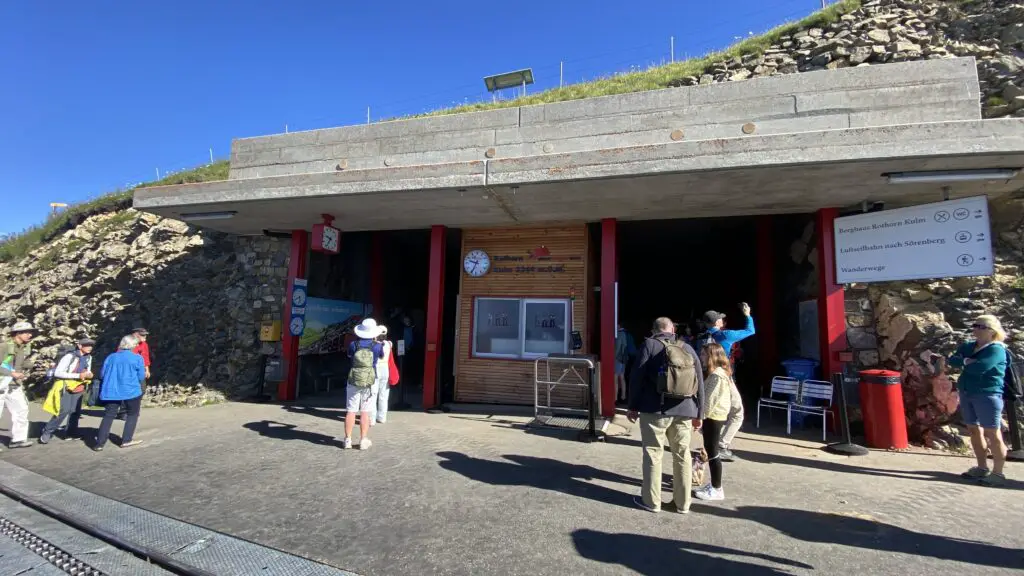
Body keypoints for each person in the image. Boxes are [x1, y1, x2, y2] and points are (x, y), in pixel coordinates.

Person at [627, 317, 705, 514]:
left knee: (653, 453)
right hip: (685, 409)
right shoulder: (687, 348)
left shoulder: (649, 345)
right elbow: (700, 382)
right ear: (672, 329)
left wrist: (632, 406)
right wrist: (699, 413)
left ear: (654, 330)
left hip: (655, 410)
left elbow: (637, 377)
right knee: (682, 455)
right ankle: (683, 504)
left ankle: (652, 502)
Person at [930, 315, 1011, 486]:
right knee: (974, 430)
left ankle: (998, 473)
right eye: (975, 325)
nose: (975, 329)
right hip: (967, 392)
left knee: (993, 433)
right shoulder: (969, 346)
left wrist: (965, 362)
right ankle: (982, 467)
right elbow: (953, 360)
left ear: (991, 330)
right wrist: (968, 361)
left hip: (987, 394)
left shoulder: (996, 349)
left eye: (981, 326)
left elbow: (981, 368)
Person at [700, 304, 756, 461]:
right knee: (737, 412)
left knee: (709, 409)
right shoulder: (725, 336)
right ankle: (721, 445)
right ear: (717, 322)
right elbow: (750, 331)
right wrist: (748, 315)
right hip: (723, 377)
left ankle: (709, 441)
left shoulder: (701, 338)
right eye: (720, 318)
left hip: (706, 378)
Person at [694, 342, 734, 502]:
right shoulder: (718, 373)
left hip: (714, 417)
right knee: (711, 452)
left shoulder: (717, 375)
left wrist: (700, 418)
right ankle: (714, 485)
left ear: (712, 356)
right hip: (714, 416)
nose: (701, 357)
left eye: (704, 355)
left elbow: (709, 400)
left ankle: (717, 488)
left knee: (713, 453)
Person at [94, 335, 147, 451]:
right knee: (132, 414)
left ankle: (99, 443)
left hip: (111, 390)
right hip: (131, 390)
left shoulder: (111, 357)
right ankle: (126, 440)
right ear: (133, 345)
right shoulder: (137, 358)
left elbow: (102, 374)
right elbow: (141, 376)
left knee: (108, 415)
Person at [40, 338, 95, 444]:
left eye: (91, 345)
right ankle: (47, 431)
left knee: (75, 411)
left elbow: (87, 370)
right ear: (80, 346)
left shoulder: (88, 357)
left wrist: (89, 374)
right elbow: (58, 373)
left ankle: (71, 432)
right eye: (87, 345)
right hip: (65, 386)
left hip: (79, 386)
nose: (90, 347)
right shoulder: (69, 356)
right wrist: (78, 375)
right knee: (64, 410)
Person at [344, 318, 384, 449]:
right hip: (369, 381)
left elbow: (349, 356)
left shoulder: (353, 345)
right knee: (365, 412)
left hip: (353, 379)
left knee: (351, 411)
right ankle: (363, 440)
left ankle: (347, 440)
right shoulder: (377, 346)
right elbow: (381, 357)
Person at [0, 322, 36, 449]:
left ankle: (18, 439)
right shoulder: (4, 346)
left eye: (30, 332)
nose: (30, 335)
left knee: (22, 409)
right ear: (17, 333)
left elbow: (22, 363)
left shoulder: (22, 348)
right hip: (2, 383)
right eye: (27, 332)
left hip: (13, 385)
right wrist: (12, 373)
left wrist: (35, 365)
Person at [373, 326, 394, 425]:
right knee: (384, 395)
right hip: (385, 369)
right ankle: (382, 417)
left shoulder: (373, 344)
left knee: (373, 394)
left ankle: (371, 418)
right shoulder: (389, 344)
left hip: (375, 369)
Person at [614, 323, 636, 404]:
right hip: (624, 359)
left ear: (619, 326)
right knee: (622, 377)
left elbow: (618, 347)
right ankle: (623, 397)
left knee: (615, 378)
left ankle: (615, 398)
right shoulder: (627, 333)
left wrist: (613, 357)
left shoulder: (620, 334)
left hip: (618, 359)